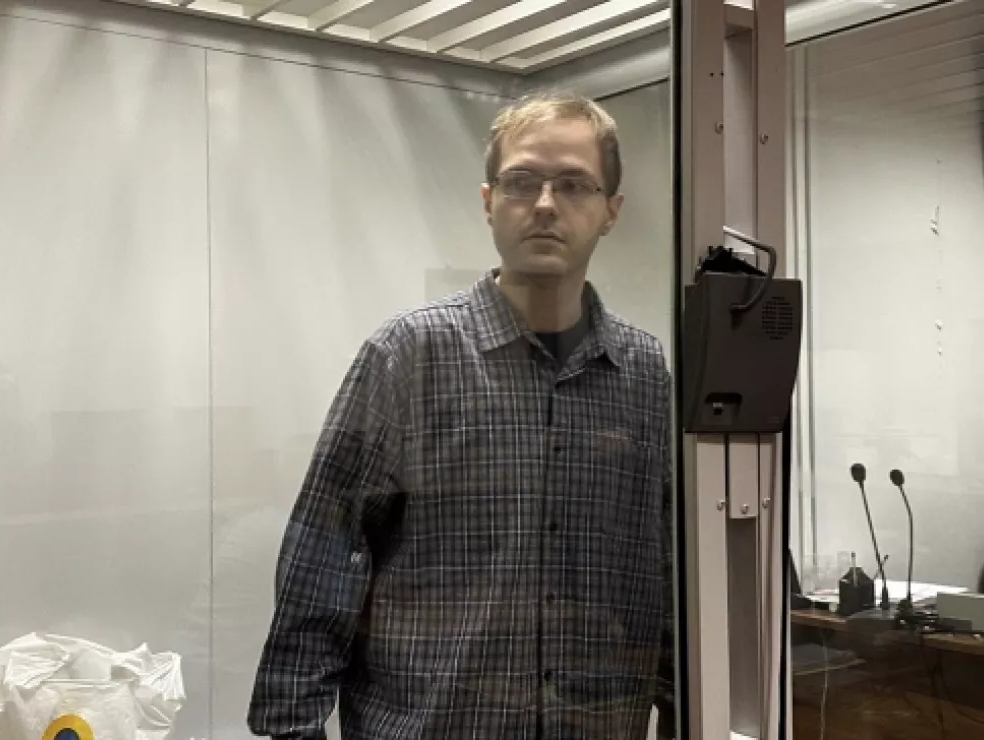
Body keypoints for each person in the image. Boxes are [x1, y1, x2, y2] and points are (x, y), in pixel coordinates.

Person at [247, 89, 675, 740]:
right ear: (487, 201)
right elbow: (325, 553)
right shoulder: (408, 355)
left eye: (573, 185)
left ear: (611, 211)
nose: (545, 204)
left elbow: (670, 568)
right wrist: (291, 728)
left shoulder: (642, 373)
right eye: (521, 182)